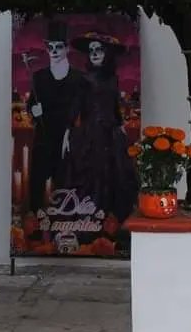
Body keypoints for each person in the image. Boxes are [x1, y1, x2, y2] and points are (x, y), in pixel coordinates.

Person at [65, 31, 138, 224]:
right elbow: (76, 106)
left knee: (115, 172)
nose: (95, 53)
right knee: (93, 173)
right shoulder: (84, 79)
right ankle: (92, 217)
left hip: (112, 133)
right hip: (91, 133)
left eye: (99, 50)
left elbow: (114, 105)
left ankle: (112, 216)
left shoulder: (112, 79)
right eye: (91, 51)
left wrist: (121, 124)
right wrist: (68, 130)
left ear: (107, 53)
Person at [26, 20, 85, 215]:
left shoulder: (78, 78)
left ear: (66, 48)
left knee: (66, 180)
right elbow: (31, 104)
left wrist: (73, 132)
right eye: (50, 47)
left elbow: (83, 109)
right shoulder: (39, 77)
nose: (54, 51)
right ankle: (35, 220)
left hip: (68, 138)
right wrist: (34, 111)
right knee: (37, 180)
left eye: (58, 46)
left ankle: (68, 219)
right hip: (44, 136)